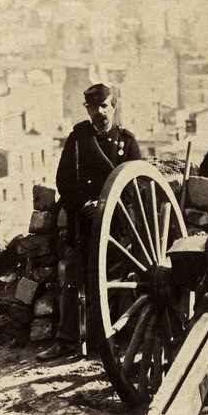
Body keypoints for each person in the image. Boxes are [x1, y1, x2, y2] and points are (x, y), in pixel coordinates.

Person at [39, 83, 141, 362]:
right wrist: (85, 203)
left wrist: (106, 205)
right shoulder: (78, 138)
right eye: (93, 108)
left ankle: (107, 343)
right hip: (82, 224)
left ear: (114, 106)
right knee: (73, 282)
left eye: (104, 106)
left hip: (115, 228)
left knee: (111, 283)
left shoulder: (127, 142)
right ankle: (65, 341)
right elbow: (64, 181)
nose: (99, 112)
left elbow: (134, 185)